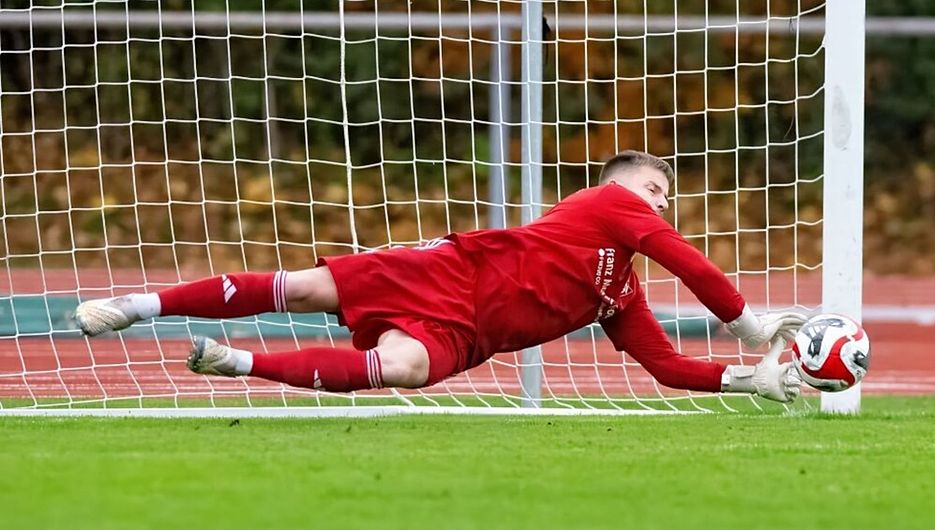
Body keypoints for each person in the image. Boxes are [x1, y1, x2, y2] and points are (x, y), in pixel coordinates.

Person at [74, 150, 806, 402]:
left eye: (663, 199)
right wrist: (745, 321)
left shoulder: (619, 289)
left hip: (468, 331)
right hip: (447, 271)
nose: (659, 204)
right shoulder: (606, 203)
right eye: (654, 190)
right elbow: (690, 260)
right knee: (303, 286)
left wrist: (750, 380)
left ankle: (238, 364)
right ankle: (137, 304)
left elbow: (667, 365)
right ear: (621, 187)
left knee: (403, 367)